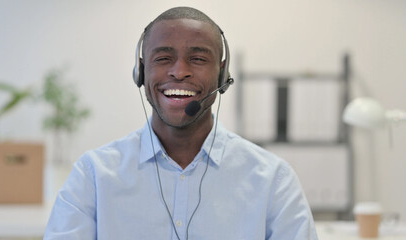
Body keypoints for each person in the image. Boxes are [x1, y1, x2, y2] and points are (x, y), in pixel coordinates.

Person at [44, 6, 318, 240]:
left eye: (198, 59)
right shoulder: (93, 176)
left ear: (222, 75)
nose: (179, 71)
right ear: (141, 71)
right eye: (163, 58)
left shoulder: (273, 181)